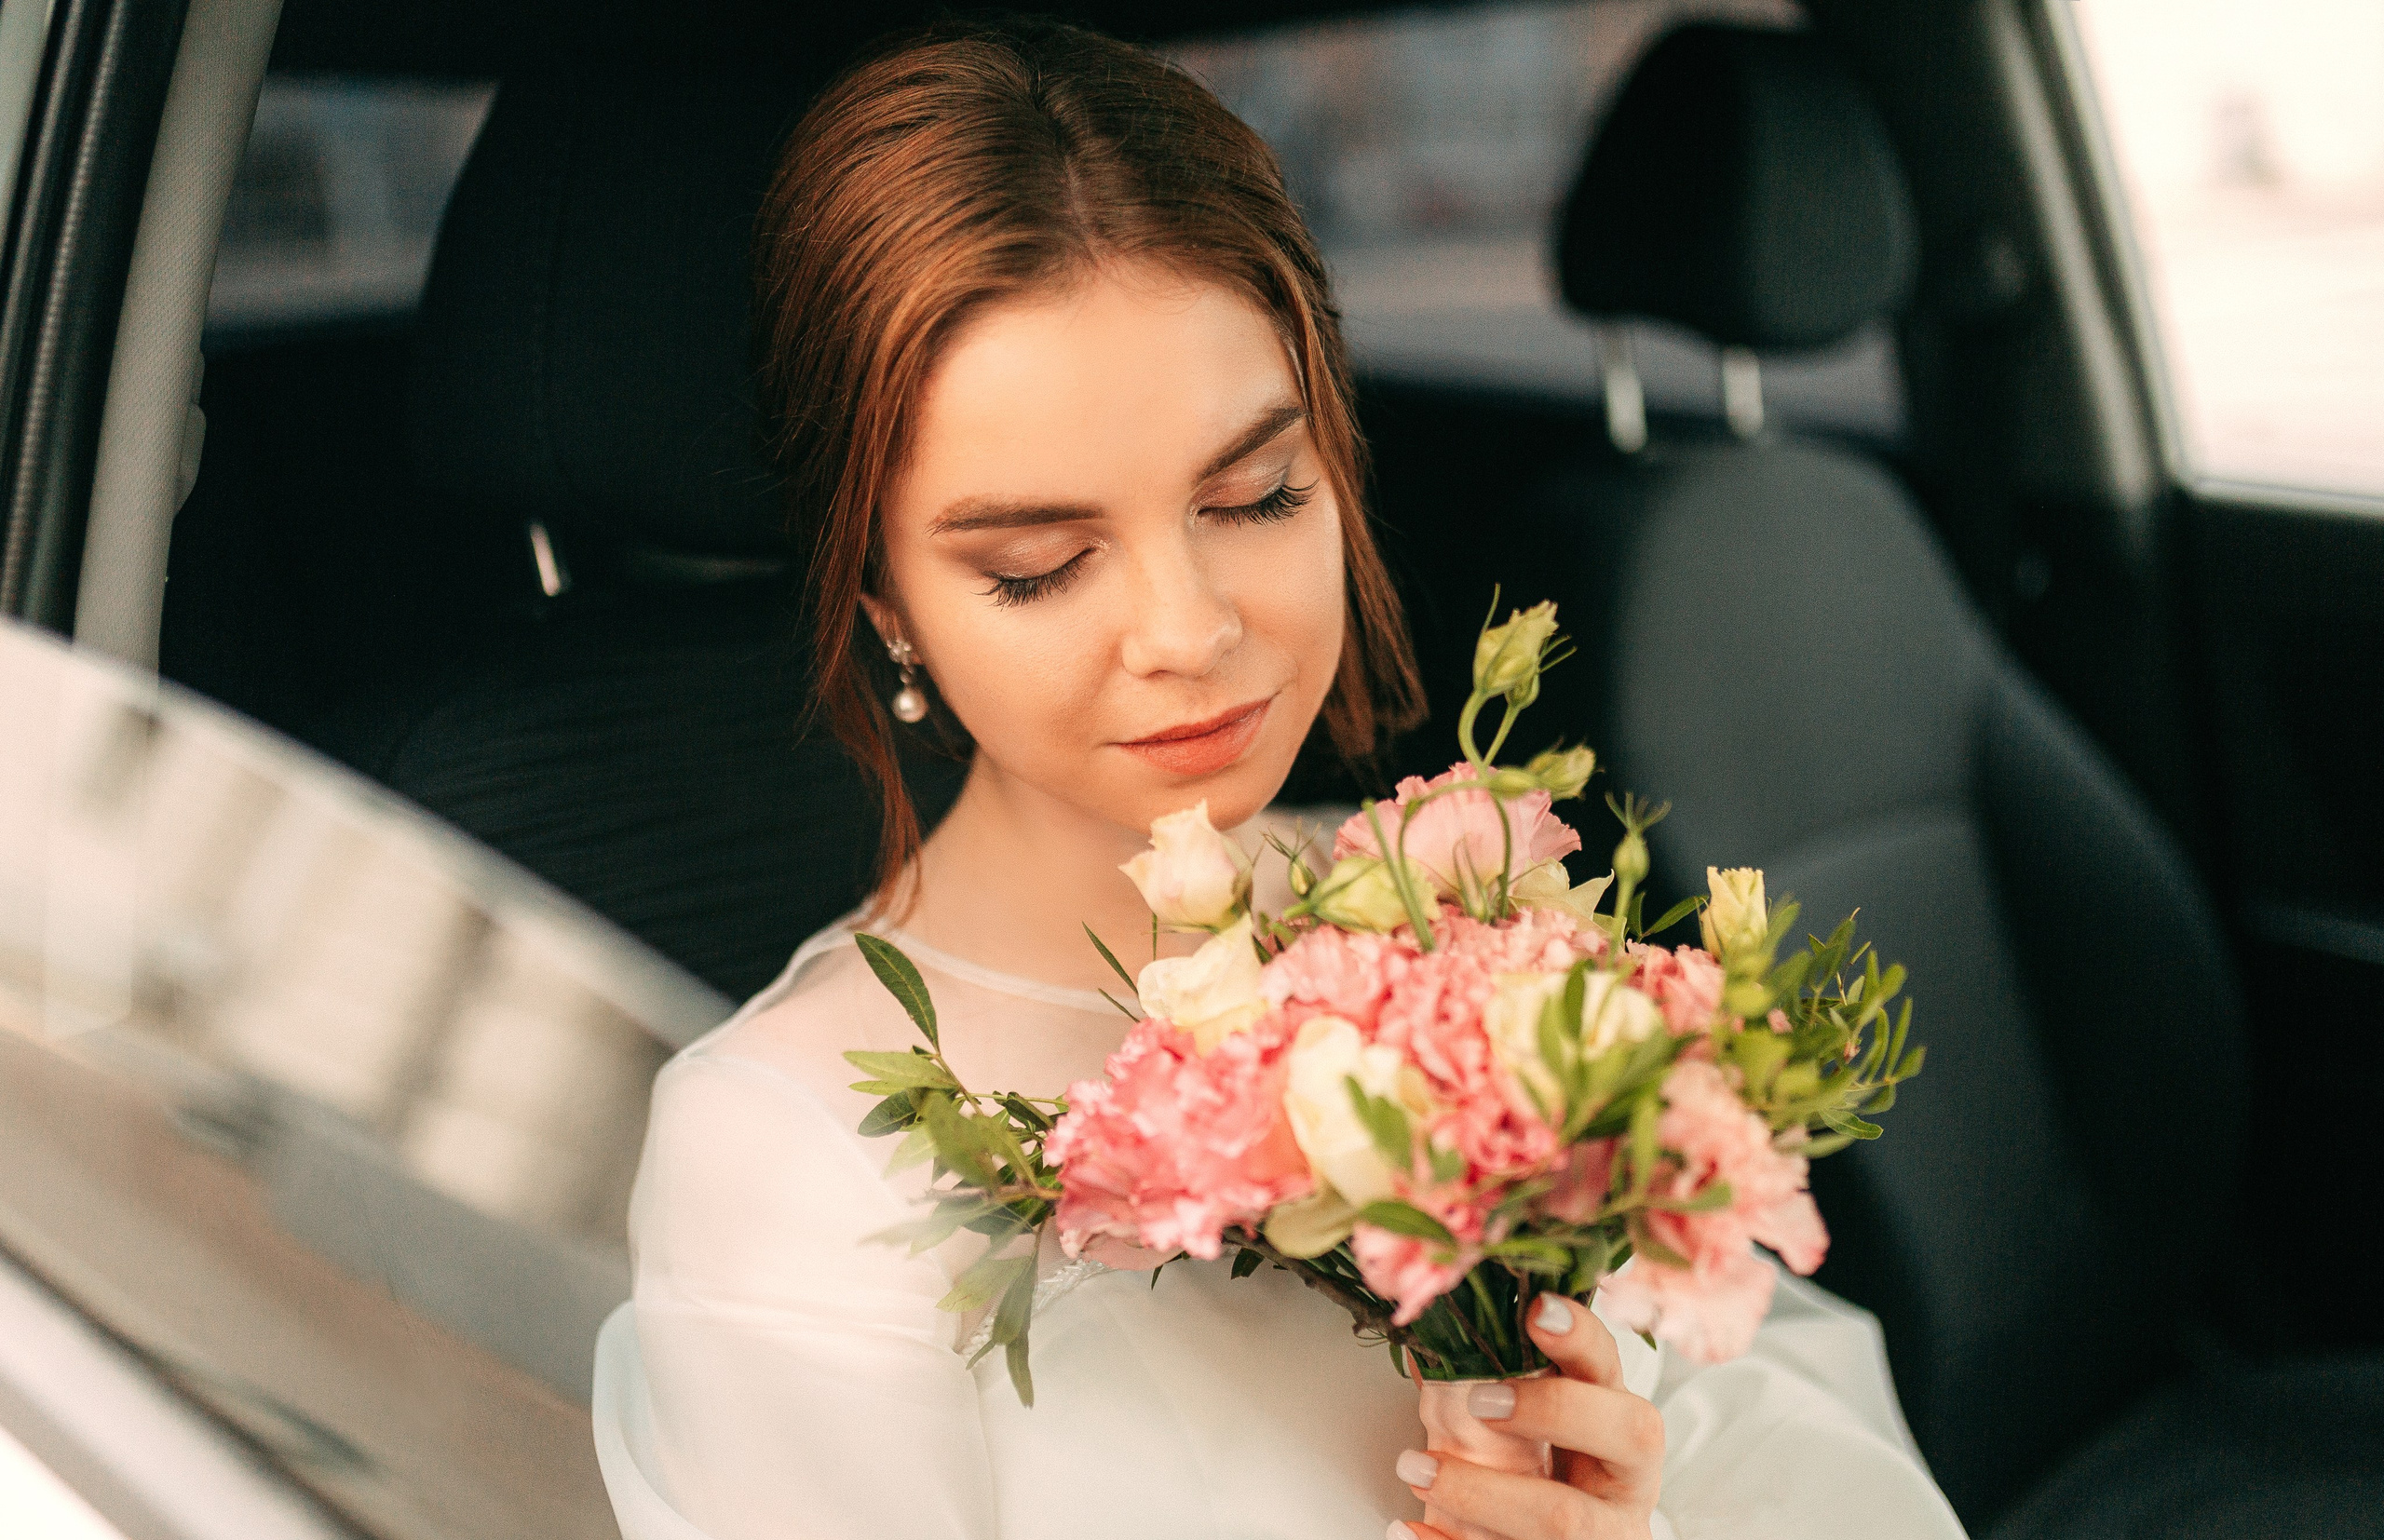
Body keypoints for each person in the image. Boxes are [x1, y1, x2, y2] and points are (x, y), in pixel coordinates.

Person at [590, 18, 1967, 1540]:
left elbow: (1772, 1415)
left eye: (1257, 496)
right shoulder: (780, 1152)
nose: (1190, 632)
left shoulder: (1460, 925)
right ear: (887, 601)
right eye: (1041, 568)